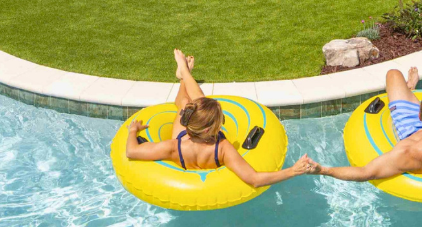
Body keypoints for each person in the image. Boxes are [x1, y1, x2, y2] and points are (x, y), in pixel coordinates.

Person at [122, 50, 317, 186]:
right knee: (190, 102)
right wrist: (293, 171)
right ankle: (184, 73)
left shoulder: (172, 147)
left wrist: (133, 131)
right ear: (209, 129)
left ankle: (184, 75)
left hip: (185, 151)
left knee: (185, 104)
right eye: (220, 119)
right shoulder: (222, 149)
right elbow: (254, 179)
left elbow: (131, 152)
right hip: (208, 152)